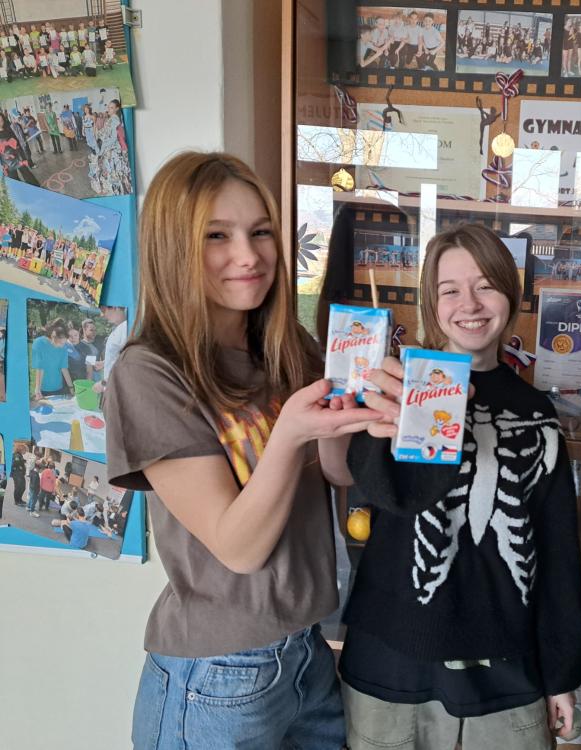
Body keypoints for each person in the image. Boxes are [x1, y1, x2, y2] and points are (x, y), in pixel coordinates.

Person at [103, 151, 380, 749]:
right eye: (217, 236)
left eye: (260, 232)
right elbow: (239, 547)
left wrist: (367, 419)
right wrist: (291, 432)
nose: (249, 255)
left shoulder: (289, 348)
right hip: (218, 673)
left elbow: (333, 473)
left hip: (306, 651)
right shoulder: (150, 373)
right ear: (173, 249)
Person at [328, 224, 581, 750]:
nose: (469, 304)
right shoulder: (396, 392)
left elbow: (558, 551)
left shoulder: (535, 412)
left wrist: (562, 674)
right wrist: (390, 418)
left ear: (510, 296)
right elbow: (383, 492)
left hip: (505, 669)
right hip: (389, 661)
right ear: (432, 303)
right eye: (450, 290)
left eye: (486, 285)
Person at [31, 320, 73, 400]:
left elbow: (64, 368)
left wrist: (71, 388)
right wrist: (37, 389)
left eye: (64, 343)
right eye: (61, 343)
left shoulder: (63, 347)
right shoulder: (38, 343)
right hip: (43, 389)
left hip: (59, 388)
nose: (62, 346)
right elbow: (40, 368)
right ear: (53, 337)